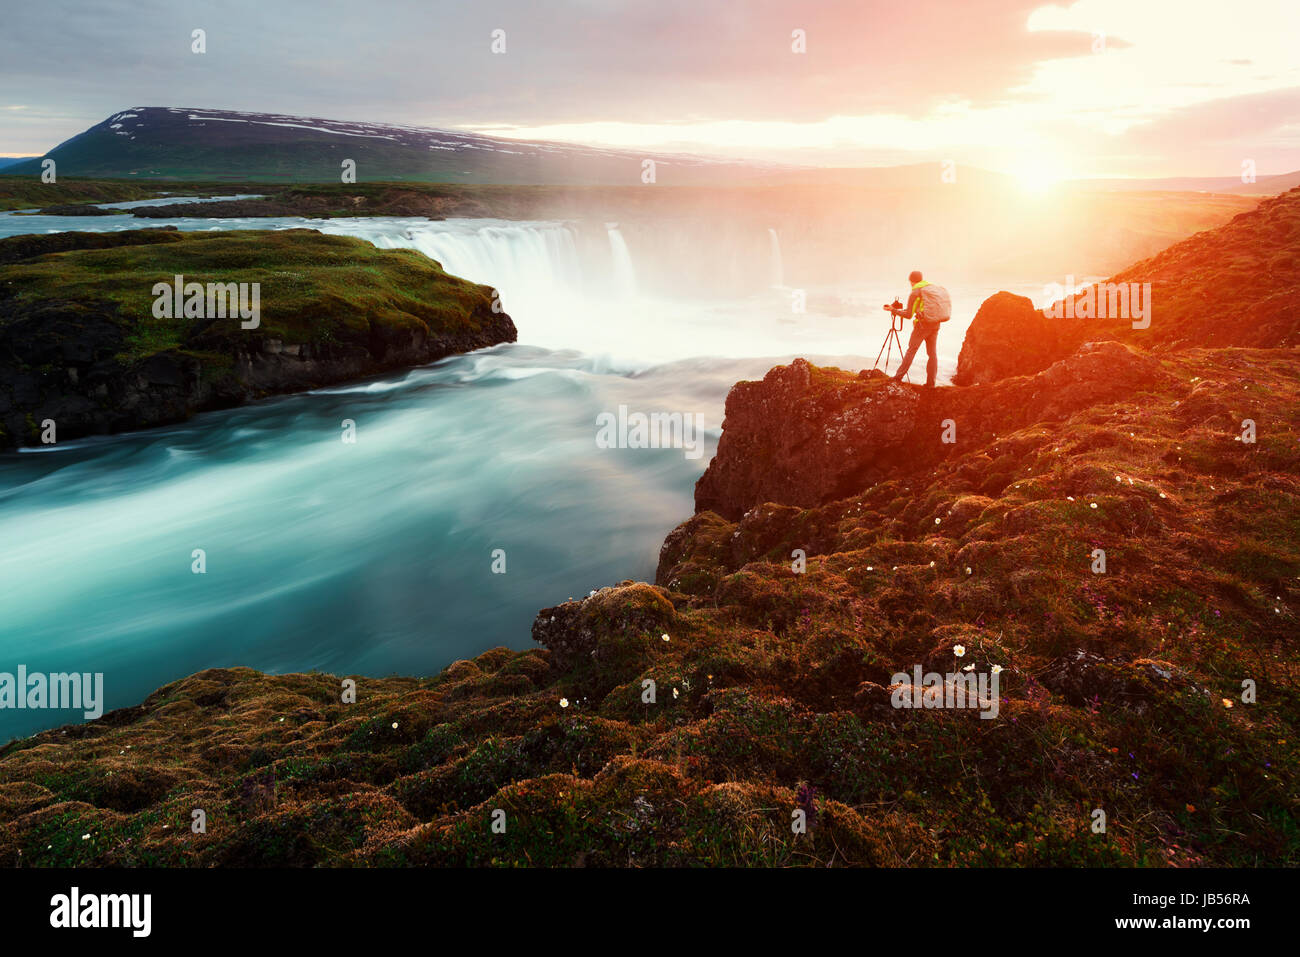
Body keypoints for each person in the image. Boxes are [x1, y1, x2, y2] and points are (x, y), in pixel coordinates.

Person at [888, 270, 951, 388]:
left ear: (911, 281)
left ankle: (897, 378)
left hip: (922, 326)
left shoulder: (915, 293)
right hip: (935, 323)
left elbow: (908, 315)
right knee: (932, 354)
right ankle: (931, 383)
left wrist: (893, 310)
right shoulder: (930, 288)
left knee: (911, 350)